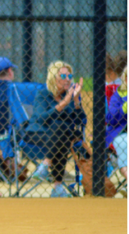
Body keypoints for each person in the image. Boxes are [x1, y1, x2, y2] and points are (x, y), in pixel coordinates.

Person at [26, 61, 91, 197]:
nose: (67, 79)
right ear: (53, 77)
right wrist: (64, 103)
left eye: (69, 76)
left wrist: (76, 102)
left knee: (62, 129)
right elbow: (42, 119)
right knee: (62, 129)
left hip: (61, 136)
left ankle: (46, 164)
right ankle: (57, 186)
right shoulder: (43, 94)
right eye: (63, 76)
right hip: (38, 133)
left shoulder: (71, 95)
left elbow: (82, 121)